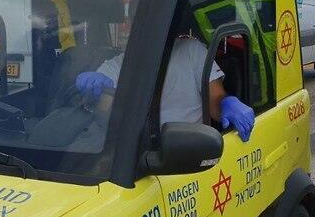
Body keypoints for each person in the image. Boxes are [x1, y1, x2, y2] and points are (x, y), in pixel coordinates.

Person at [75, 32, 255, 141]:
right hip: (133, 154)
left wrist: (227, 103)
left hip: (186, 150)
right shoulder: (120, 62)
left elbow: (215, 103)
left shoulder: (191, 50)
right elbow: (103, 113)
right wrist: (96, 92)